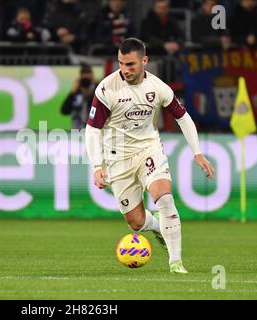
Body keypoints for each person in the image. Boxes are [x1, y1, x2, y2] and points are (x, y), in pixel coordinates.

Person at [85, 38, 214, 274]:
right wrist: (97, 165)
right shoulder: (106, 89)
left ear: (144, 60)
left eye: (131, 64)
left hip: (148, 149)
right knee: (136, 223)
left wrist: (198, 153)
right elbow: (92, 130)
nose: (125, 70)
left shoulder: (158, 88)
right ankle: (156, 226)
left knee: (164, 198)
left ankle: (176, 263)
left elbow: (183, 117)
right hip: (118, 160)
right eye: (122, 64)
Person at [61, 64, 97, 129]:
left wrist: (96, 86)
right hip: (76, 131)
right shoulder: (76, 92)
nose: (86, 81)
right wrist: (72, 93)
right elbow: (64, 110)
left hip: (92, 130)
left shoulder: (97, 92)